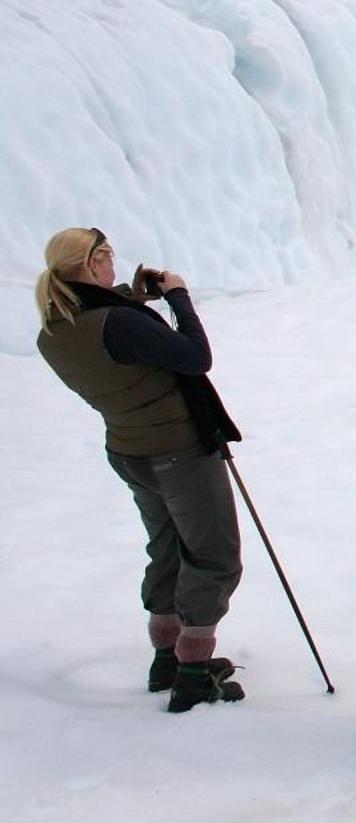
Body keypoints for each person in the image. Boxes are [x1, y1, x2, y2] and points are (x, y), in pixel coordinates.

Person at [35, 227, 246, 713]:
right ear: (91, 267)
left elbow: (110, 326)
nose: (113, 267)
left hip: (130, 451)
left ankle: (166, 660)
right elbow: (195, 358)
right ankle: (194, 673)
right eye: (106, 260)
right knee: (213, 555)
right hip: (180, 450)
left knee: (167, 547)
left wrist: (134, 296)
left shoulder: (55, 329)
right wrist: (178, 297)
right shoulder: (118, 324)